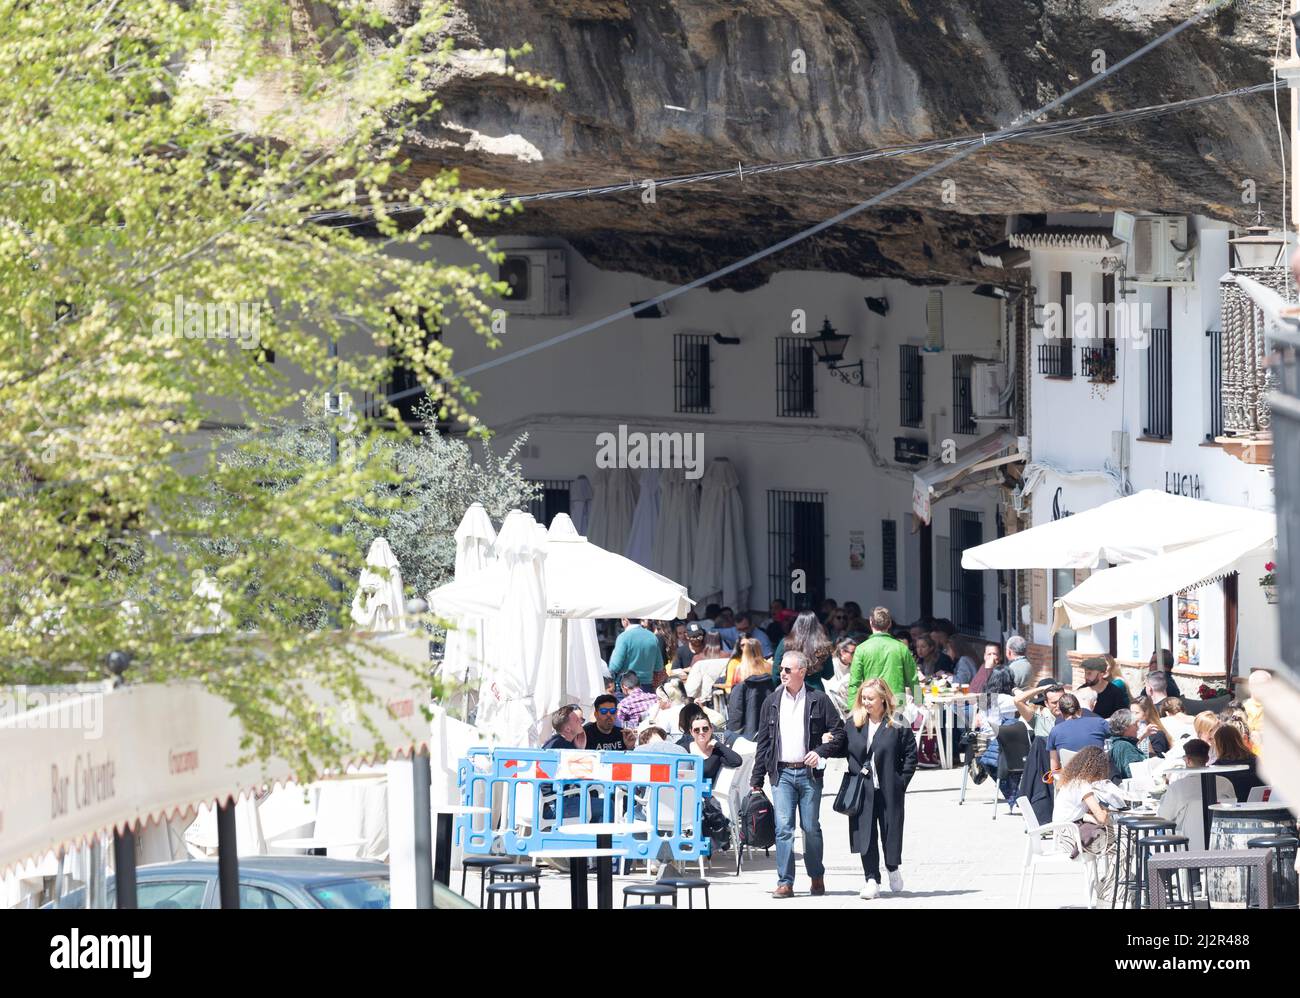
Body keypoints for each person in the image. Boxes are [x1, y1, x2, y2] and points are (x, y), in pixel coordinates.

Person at [751, 650, 845, 898]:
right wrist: (756, 779)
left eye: (787, 670)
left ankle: (816, 876)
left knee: (811, 827)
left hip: (809, 774)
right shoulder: (771, 701)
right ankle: (785, 881)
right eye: (781, 669)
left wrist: (821, 751)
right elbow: (763, 743)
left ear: (801, 672)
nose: (781, 673)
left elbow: (839, 733)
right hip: (781, 773)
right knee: (783, 828)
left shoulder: (819, 700)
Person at [826, 677, 917, 900]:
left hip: (889, 788)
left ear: (883, 699)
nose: (865, 702)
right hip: (862, 790)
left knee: (891, 831)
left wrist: (900, 782)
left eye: (870, 698)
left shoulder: (898, 722)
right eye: (863, 698)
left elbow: (910, 756)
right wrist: (829, 742)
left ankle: (892, 867)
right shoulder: (853, 723)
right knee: (865, 835)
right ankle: (871, 879)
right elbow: (843, 750)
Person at [1051, 745, 1122, 901]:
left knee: (1118, 841)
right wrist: (1105, 812)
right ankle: (1111, 890)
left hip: (1063, 835)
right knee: (1124, 845)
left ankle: (1112, 887)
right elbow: (1102, 818)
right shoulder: (1083, 785)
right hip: (1073, 838)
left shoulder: (1071, 781)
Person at [1157, 739, 1237, 850]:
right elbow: (1234, 813)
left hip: (1187, 847)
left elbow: (1163, 818)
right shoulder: (1225, 783)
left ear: (1188, 760)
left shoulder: (1177, 788)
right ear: (1207, 759)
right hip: (1222, 844)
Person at [968, 666, 1021, 805]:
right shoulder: (1005, 699)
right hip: (998, 745)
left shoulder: (985, 698)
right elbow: (1023, 700)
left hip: (981, 743)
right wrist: (1015, 689)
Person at [846, 607, 918, 707]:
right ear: (890, 624)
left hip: (872, 703)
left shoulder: (861, 649)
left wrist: (852, 708)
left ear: (870, 622)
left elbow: (854, 683)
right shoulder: (901, 648)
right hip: (897, 703)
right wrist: (919, 703)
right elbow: (913, 679)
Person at [1046, 692, 1110, 774]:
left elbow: (1055, 769)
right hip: (1099, 776)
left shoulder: (1055, 731)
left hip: (1071, 782)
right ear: (1080, 710)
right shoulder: (1100, 723)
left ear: (1061, 713)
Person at [772, 611, 834, 691]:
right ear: (817, 626)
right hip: (815, 691)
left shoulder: (785, 643)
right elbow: (828, 674)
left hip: (791, 689)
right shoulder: (823, 645)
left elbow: (776, 673)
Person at [726, 640, 775, 742]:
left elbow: (734, 693)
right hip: (769, 714)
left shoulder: (740, 669)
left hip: (748, 719)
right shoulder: (770, 666)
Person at [609, 617, 664, 691]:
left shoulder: (623, 637)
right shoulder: (652, 637)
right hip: (647, 686)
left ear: (625, 620)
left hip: (626, 687)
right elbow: (659, 666)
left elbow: (614, 667)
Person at [1212, 725, 1265, 801]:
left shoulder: (1216, 769)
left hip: (1229, 810)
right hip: (1257, 807)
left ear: (1218, 744)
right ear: (1239, 739)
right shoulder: (1256, 761)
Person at [1106, 709, 1145, 781]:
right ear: (1125, 727)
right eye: (1135, 724)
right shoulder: (1125, 746)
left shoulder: (1117, 744)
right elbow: (1137, 775)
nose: (1138, 728)